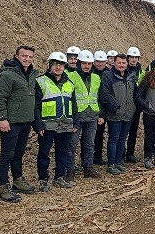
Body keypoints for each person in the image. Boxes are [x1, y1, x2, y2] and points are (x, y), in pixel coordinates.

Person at [0, 45, 38, 202]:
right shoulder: (7, 75)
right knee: (7, 155)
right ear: (16, 56)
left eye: (30, 57)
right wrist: (2, 118)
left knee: (19, 154)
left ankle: (17, 181)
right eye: (24, 56)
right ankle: (3, 188)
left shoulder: (31, 74)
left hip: (25, 121)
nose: (27, 59)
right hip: (11, 122)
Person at [34, 52, 77, 191]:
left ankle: (59, 177)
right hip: (47, 125)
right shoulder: (40, 81)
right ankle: (43, 179)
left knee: (62, 152)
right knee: (44, 152)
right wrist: (38, 124)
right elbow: (35, 105)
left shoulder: (69, 84)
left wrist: (75, 122)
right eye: (55, 64)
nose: (58, 67)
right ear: (50, 65)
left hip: (65, 124)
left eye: (61, 65)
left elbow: (74, 105)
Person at [67, 50, 102, 180]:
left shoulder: (96, 78)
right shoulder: (71, 77)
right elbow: (69, 98)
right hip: (77, 117)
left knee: (89, 144)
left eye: (89, 63)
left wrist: (100, 114)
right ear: (79, 63)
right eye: (84, 63)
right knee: (72, 144)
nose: (87, 66)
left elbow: (98, 97)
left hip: (92, 115)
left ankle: (88, 167)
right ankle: (69, 170)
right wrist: (72, 117)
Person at [99, 53, 137, 175]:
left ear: (126, 64)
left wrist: (132, 108)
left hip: (127, 114)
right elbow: (105, 95)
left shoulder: (130, 76)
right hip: (114, 114)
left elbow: (134, 94)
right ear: (114, 63)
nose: (121, 65)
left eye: (124, 63)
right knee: (114, 139)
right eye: (119, 62)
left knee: (122, 139)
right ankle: (111, 164)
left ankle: (119, 161)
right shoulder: (108, 76)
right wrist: (116, 109)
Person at [124, 46, 144, 164]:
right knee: (123, 132)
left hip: (136, 107)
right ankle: (121, 153)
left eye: (136, 57)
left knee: (133, 131)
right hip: (125, 107)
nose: (134, 59)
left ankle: (130, 154)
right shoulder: (123, 71)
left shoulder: (140, 72)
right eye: (132, 57)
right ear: (128, 58)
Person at [92, 51, 109, 166]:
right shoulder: (90, 73)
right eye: (98, 61)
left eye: (102, 61)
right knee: (93, 135)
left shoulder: (109, 73)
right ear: (94, 62)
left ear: (106, 62)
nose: (100, 63)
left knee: (101, 134)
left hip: (108, 108)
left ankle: (97, 157)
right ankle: (87, 158)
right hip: (94, 108)